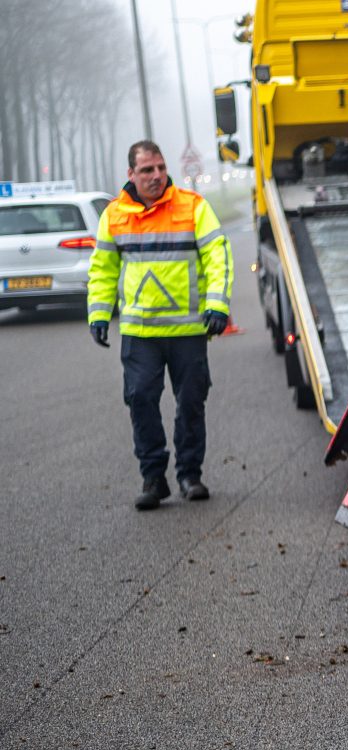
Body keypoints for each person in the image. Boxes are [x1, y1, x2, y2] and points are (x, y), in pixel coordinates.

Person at [88, 141, 233, 510]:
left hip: (188, 331)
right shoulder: (114, 216)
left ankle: (190, 475)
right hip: (140, 334)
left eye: (160, 168)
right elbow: (103, 270)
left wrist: (217, 305)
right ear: (131, 175)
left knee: (190, 403)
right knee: (140, 401)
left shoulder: (193, 207)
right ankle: (154, 478)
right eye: (147, 170)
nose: (156, 175)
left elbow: (218, 256)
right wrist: (99, 314)